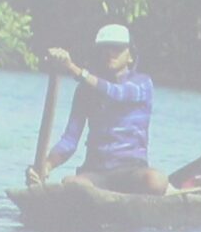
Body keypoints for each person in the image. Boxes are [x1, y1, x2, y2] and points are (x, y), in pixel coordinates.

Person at [32, 23, 167, 194]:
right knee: (71, 183)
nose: (109, 53)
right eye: (104, 48)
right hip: (97, 172)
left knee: (156, 180)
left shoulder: (142, 83)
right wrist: (46, 165)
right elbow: (69, 140)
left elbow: (116, 93)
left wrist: (73, 68)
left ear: (130, 56)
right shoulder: (85, 91)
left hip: (132, 170)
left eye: (117, 48)